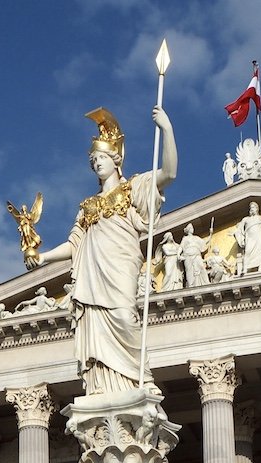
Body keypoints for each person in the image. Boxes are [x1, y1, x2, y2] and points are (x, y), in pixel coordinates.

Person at [28, 105, 177, 397]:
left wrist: (167, 129)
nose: (96, 163)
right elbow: (74, 245)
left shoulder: (133, 188)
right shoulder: (88, 206)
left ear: (116, 158)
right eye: (93, 159)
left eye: (101, 158)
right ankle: (102, 387)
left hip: (119, 269)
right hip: (93, 279)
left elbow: (169, 172)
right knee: (96, 330)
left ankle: (139, 378)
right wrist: (43, 257)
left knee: (124, 318)